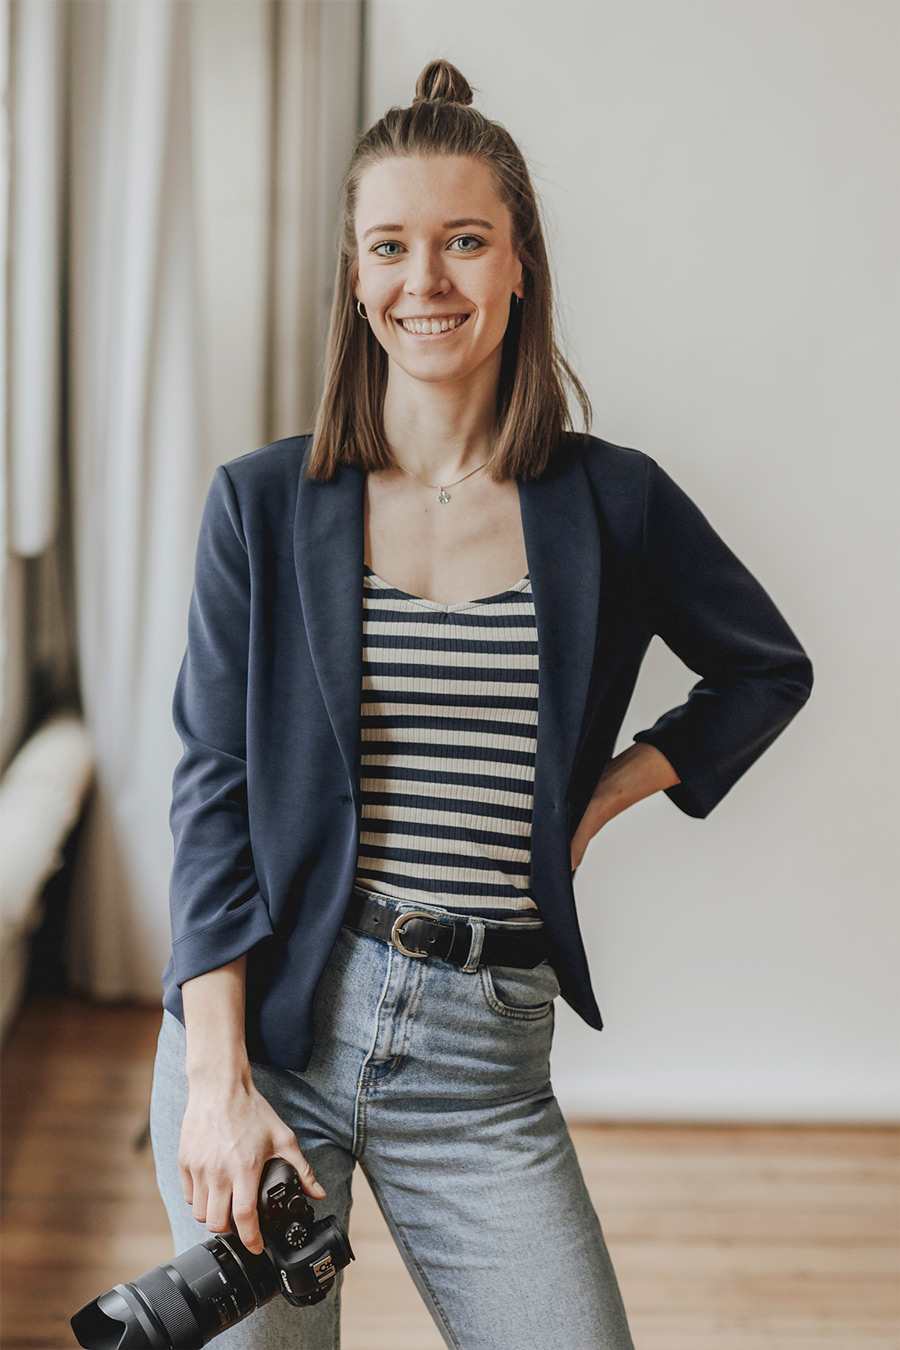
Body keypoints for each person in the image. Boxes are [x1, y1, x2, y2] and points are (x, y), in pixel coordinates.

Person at [149, 59, 813, 1350]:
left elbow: (765, 668)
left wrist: (603, 795)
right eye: (391, 247)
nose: (426, 282)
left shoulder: (613, 503)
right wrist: (217, 1082)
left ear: (520, 265)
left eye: (464, 241)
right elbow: (212, 794)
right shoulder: (264, 504)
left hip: (481, 1064)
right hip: (275, 1026)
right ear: (355, 277)